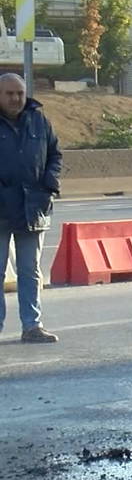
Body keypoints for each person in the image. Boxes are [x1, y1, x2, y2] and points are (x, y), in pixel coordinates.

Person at [0, 74, 61, 343]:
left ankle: (32, 326)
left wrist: (49, 182)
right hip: (1, 208)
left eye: (20, 93)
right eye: (9, 94)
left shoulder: (39, 120)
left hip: (32, 206)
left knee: (30, 270)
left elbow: (54, 155)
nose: (15, 99)